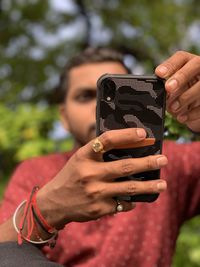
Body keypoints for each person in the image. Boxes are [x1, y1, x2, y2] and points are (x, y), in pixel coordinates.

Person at [0, 47, 200, 267]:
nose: (99, 106)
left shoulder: (171, 160)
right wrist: (45, 209)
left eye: (117, 94)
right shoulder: (36, 171)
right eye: (85, 96)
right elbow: (3, 251)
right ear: (64, 117)